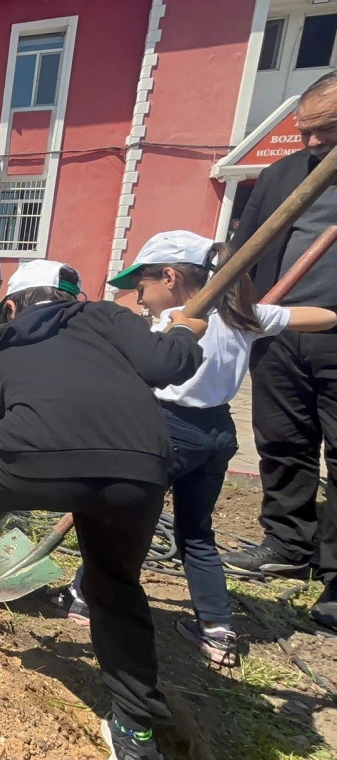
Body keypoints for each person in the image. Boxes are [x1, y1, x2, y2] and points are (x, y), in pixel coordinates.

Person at [0, 259, 205, 760]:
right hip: (139, 469)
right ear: (72, 297)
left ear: (12, 305)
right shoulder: (108, 317)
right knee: (114, 586)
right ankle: (135, 730)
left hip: (38, 459)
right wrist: (184, 333)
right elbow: (168, 366)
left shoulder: (5, 347)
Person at [45, 231, 337, 668]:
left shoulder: (175, 324)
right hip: (218, 434)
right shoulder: (242, 315)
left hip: (167, 429)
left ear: (170, 276)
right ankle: (218, 629)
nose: (139, 298)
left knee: (112, 517)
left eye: (142, 287)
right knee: (196, 534)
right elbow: (325, 318)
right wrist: (259, 317)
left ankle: (83, 598)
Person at [226, 71, 337, 630]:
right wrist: (232, 315)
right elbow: (244, 249)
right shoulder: (281, 176)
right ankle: (289, 544)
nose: (314, 143)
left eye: (327, 131)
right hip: (278, 331)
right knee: (283, 442)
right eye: (305, 132)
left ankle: (336, 580)